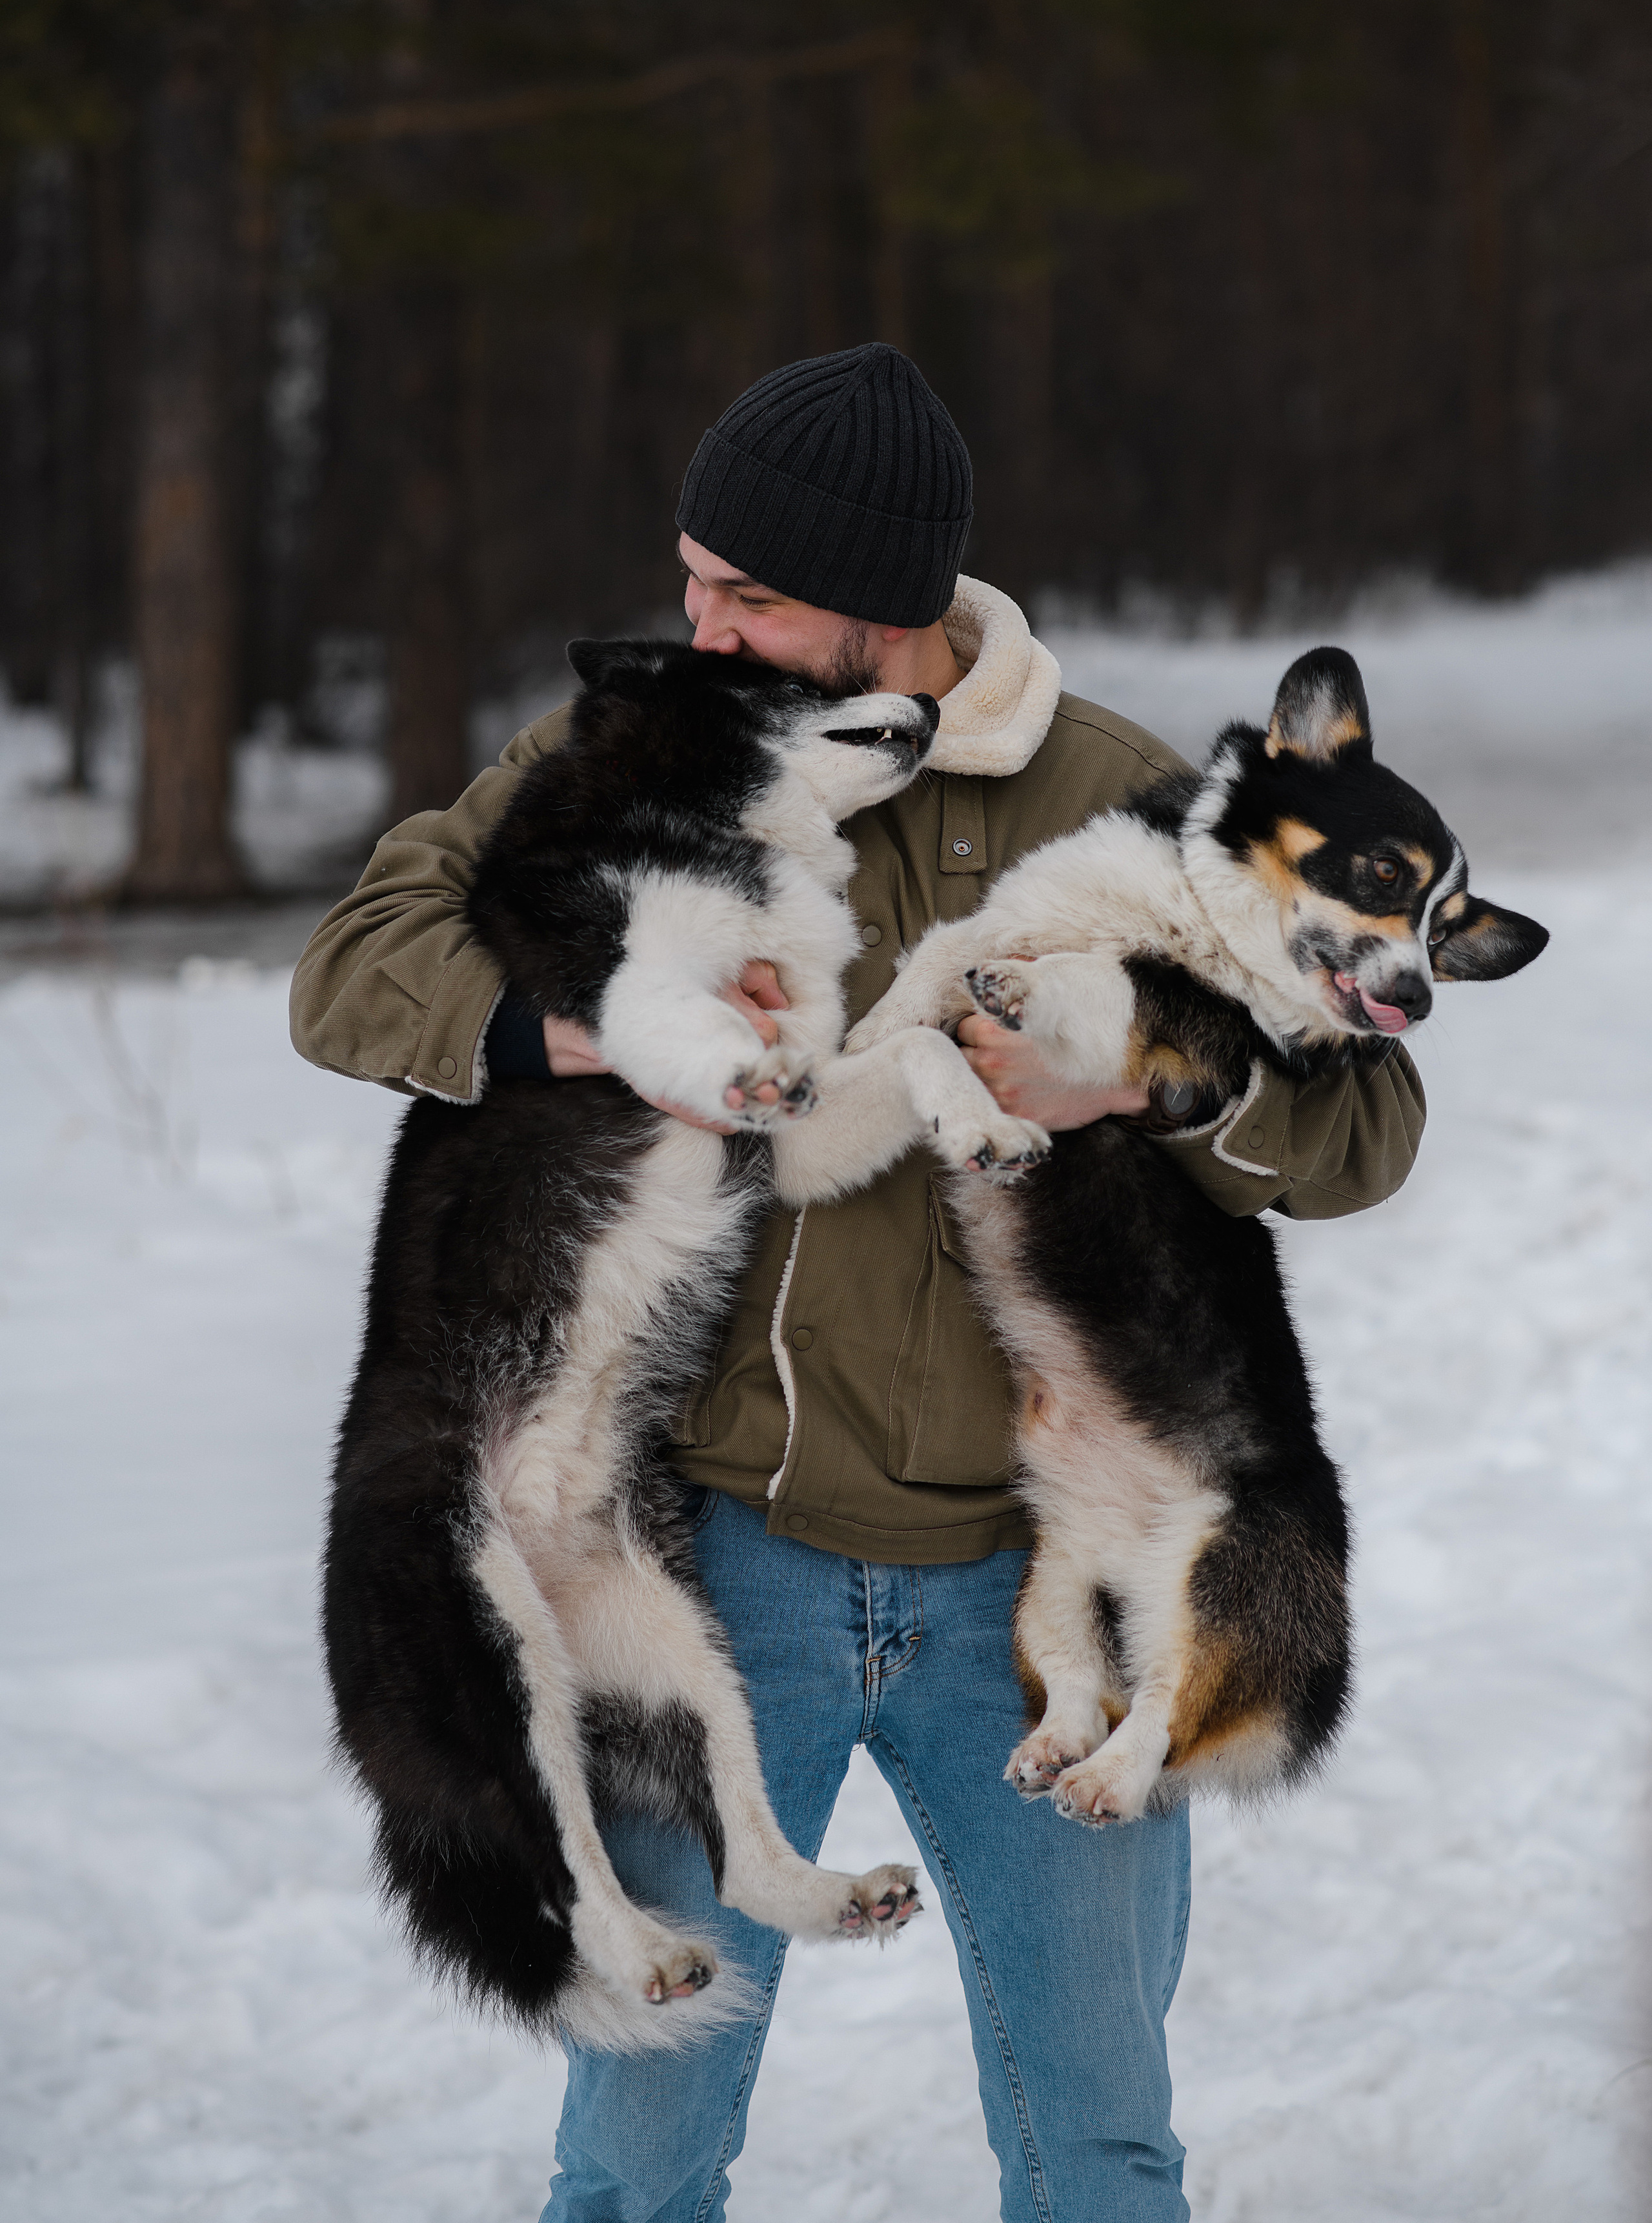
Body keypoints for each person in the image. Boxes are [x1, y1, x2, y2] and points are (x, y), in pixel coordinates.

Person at [292, 344, 1424, 2222]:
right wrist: (586, 1028)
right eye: (692, 577)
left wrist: (1133, 1077)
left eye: (752, 596)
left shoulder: (1121, 796)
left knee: (1102, 2145)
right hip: (723, 1557)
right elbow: (359, 963)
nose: (700, 624)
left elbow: (1366, 1123)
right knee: (639, 2154)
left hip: (1029, 1587)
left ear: (888, 607)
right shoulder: (649, 737)